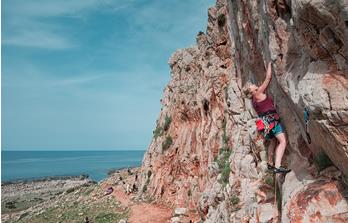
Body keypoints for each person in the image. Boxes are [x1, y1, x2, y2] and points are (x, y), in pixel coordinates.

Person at [243, 61, 291, 174]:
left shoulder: (254, 101)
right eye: (252, 86)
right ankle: (278, 166)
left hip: (266, 124)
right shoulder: (258, 93)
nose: (255, 85)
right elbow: (268, 78)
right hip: (272, 121)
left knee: (273, 141)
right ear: (252, 91)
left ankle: (270, 163)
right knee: (283, 141)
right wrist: (270, 63)